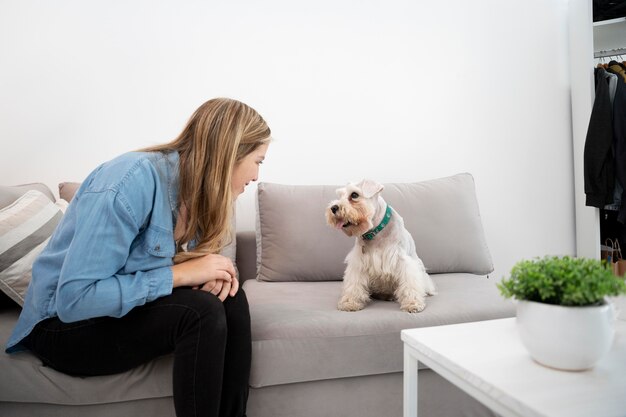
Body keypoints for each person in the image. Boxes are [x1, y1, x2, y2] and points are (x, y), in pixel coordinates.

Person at [5, 97, 271, 417]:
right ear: (231, 152)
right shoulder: (129, 181)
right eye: (258, 161)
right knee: (201, 312)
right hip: (59, 327)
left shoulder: (196, 193)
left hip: (113, 315)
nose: (256, 175)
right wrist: (181, 275)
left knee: (230, 297)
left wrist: (208, 272)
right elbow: (75, 299)